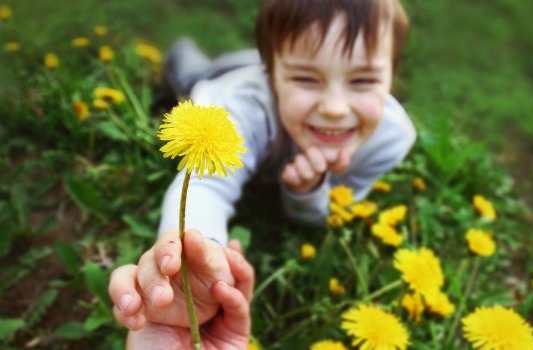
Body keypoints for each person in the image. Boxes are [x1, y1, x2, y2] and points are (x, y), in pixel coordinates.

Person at [108, 0, 414, 347]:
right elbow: (207, 184)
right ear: (274, 76)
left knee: (272, 60)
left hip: (267, 64)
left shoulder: (390, 140)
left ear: (392, 74)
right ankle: (183, 55)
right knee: (188, 76)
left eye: (362, 80)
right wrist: (199, 259)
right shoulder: (243, 110)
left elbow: (336, 211)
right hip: (223, 81)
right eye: (305, 78)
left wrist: (308, 193)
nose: (334, 108)